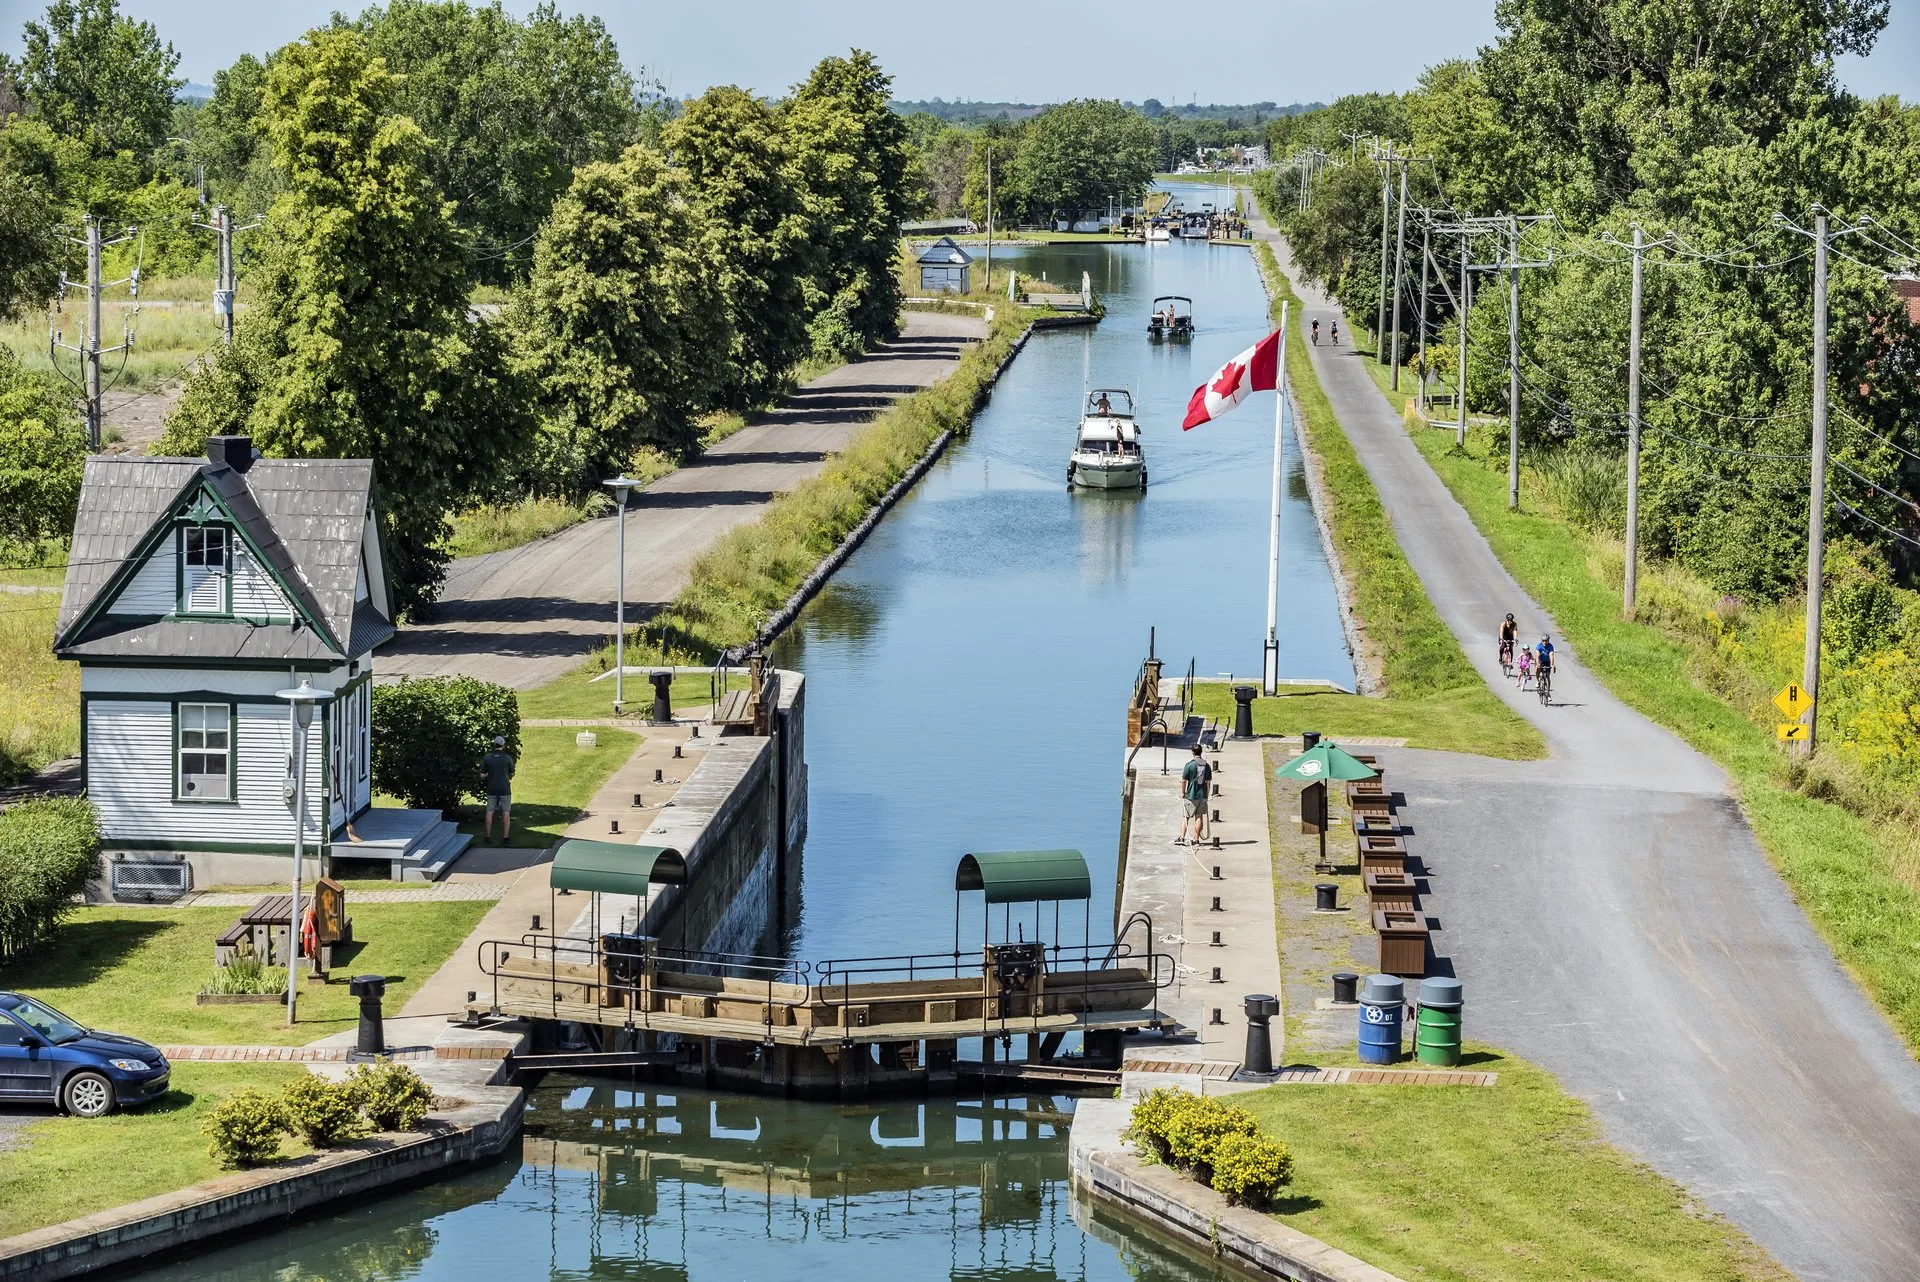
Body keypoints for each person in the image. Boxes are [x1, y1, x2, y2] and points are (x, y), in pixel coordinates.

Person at [481, 735, 516, 845]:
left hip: (491, 788)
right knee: (506, 812)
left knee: (489, 812)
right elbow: (512, 772)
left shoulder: (487, 758)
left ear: (494, 745)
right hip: (504, 789)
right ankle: (505, 837)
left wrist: (487, 774)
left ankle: (487, 836)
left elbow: (482, 775)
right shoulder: (507, 758)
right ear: (503, 745)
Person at [1176, 745, 1212, 846]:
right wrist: (1207, 794)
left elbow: (1184, 780)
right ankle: (1196, 839)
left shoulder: (1189, 765)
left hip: (1191, 795)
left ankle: (1182, 838)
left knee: (1186, 817)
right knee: (1199, 817)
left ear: (1192, 752)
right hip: (1203, 795)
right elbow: (1208, 781)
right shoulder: (1207, 766)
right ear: (1201, 752)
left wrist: (1183, 792)